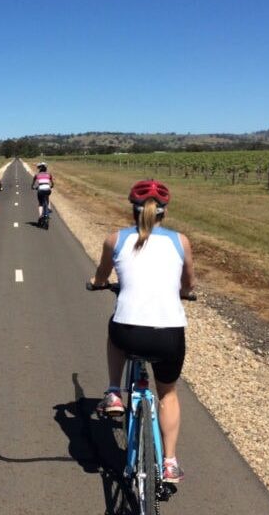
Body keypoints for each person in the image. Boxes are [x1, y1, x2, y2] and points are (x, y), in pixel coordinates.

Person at [88, 179, 195, 483]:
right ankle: (170, 462)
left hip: (129, 331)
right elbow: (189, 283)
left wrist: (97, 284)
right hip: (169, 334)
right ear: (164, 211)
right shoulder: (180, 241)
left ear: (133, 209)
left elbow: (101, 275)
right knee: (169, 394)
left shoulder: (115, 239)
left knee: (115, 329)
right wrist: (185, 292)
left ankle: (113, 392)